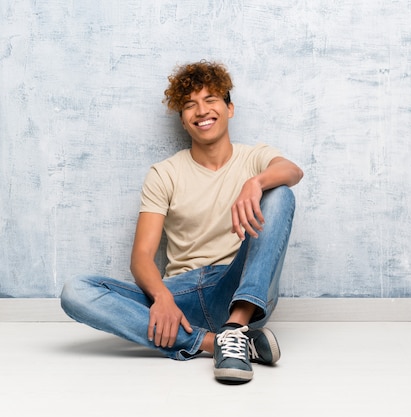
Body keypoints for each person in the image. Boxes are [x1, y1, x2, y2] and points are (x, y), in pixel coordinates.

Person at [60, 60, 304, 384]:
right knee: (75, 291)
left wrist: (255, 183)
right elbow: (141, 257)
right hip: (179, 297)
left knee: (280, 194)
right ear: (184, 121)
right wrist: (162, 297)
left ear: (229, 108)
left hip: (235, 287)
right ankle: (218, 343)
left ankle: (236, 324)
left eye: (211, 99)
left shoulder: (253, 157)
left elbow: (293, 171)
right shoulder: (164, 173)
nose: (201, 111)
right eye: (190, 105)